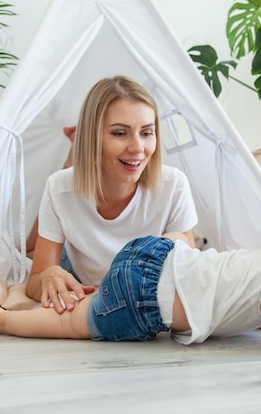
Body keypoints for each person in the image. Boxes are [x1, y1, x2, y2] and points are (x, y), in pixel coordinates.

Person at [0, 189, 261, 353]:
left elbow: (254, 316)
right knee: (69, 326)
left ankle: (90, 295)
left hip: (155, 254)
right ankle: (6, 321)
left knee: (95, 303)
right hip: (147, 297)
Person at [25, 75, 198, 314]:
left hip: (125, 277)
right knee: (32, 251)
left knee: (182, 240)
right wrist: (48, 276)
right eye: (120, 133)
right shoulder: (58, 187)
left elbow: (190, 270)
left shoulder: (174, 184)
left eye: (147, 133)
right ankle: (74, 156)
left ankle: (76, 155)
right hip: (77, 266)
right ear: (93, 136)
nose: (138, 148)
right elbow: (34, 282)